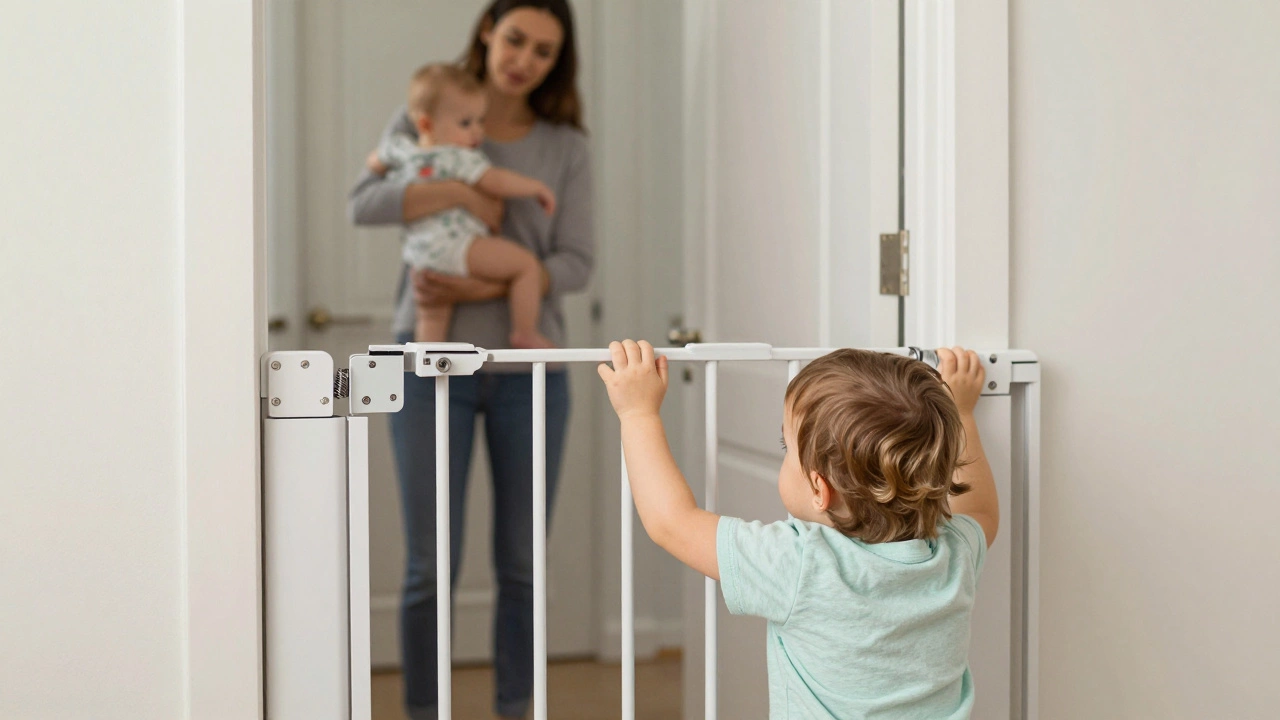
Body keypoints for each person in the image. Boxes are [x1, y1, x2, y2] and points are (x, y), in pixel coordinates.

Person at [347, 1, 592, 717]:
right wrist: (457, 188)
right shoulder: (423, 117)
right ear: (488, 31)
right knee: (428, 568)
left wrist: (481, 284)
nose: (525, 59)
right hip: (426, 372)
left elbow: (577, 263)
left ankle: (516, 708)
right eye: (515, 38)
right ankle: (426, 710)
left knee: (520, 567)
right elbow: (363, 202)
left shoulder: (564, 147)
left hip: (528, 376)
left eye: (544, 51)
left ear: (557, 62)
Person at [598, 341, 999, 719]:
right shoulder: (953, 552)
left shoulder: (802, 563)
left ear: (819, 490)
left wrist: (638, 414)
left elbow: (673, 524)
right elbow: (981, 509)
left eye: (786, 446)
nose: (784, 453)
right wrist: (961, 412)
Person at [371, 63, 558, 348]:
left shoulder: (402, 150)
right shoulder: (458, 158)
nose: (477, 132)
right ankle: (524, 331)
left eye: (479, 121)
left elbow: (375, 162)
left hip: (420, 253)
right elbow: (496, 181)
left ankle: (429, 364)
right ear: (425, 124)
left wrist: (390, 165)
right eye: (466, 123)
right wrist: (535, 187)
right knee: (526, 266)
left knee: (432, 316)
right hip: (457, 244)